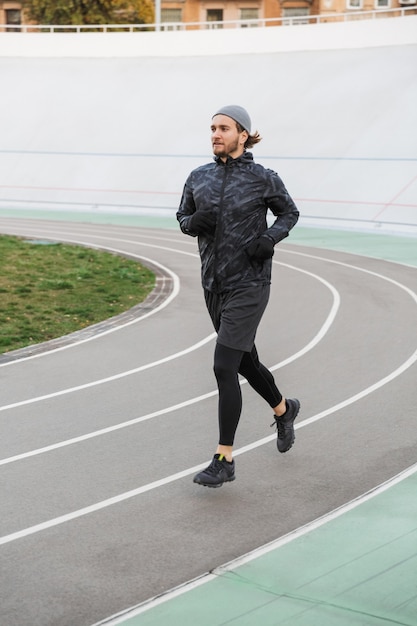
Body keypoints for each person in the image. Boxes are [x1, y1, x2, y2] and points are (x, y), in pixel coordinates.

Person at [176, 105, 300, 488]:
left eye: (223, 128)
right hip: (213, 284)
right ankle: (284, 409)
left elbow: (289, 214)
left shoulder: (263, 178)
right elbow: (182, 217)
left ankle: (223, 459)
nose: (215, 134)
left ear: (242, 135)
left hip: (250, 283)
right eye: (212, 128)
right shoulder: (199, 177)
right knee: (245, 362)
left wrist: (268, 239)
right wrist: (192, 223)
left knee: (223, 366)